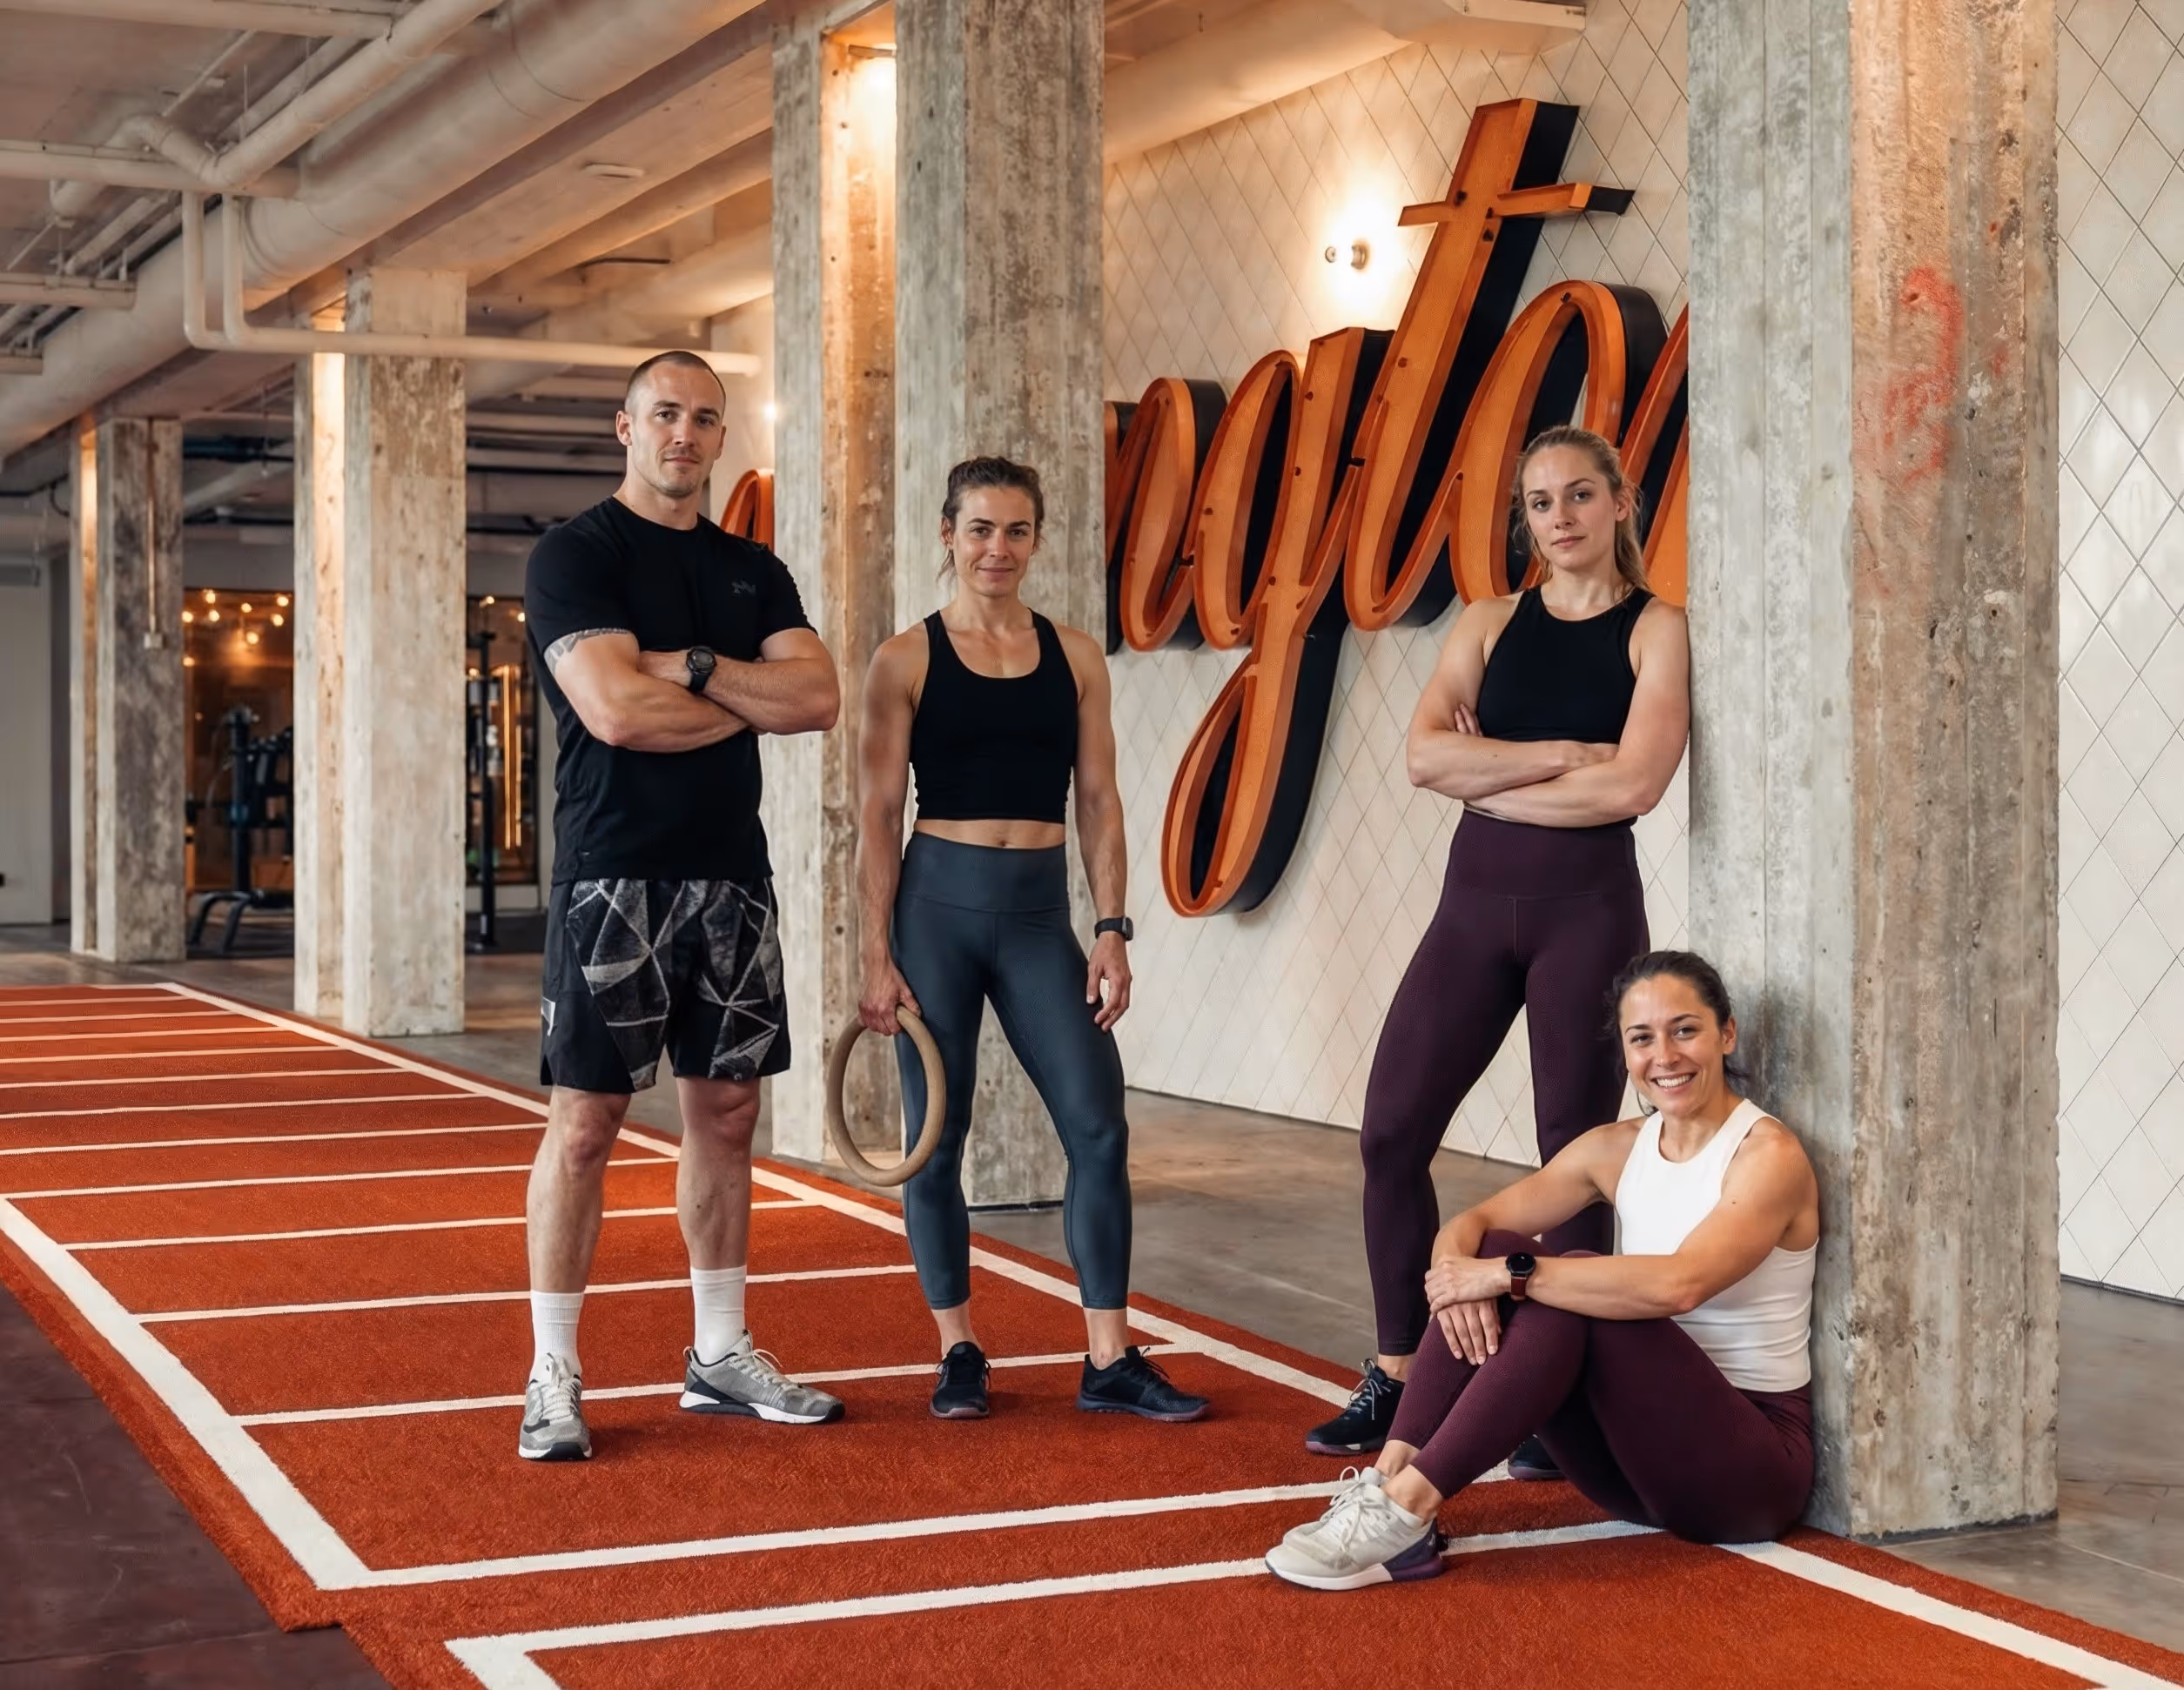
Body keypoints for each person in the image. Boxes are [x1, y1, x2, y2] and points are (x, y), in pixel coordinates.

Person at [1307, 426, 1690, 1475]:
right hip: (1470, 914)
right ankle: (1396, 1370)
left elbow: (1636, 784)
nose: (1559, 518)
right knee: (1391, 1132)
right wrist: (1563, 755)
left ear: (1620, 502)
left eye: (1579, 495)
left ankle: (1555, 1403)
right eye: (1539, 503)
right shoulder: (1485, 622)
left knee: (1572, 1160)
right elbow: (1423, 759)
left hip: (1588, 916)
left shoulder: (1657, 629)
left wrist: (1492, 775)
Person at [516, 350, 843, 1461]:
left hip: (731, 875)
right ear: (625, 426)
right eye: (664, 414)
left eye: (705, 418)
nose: (684, 435)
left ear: (720, 435)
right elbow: (615, 713)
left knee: (729, 1113)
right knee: (585, 1125)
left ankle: (718, 1352)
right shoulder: (577, 556)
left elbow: (818, 695)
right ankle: (553, 1371)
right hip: (614, 872)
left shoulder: (751, 569)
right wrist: (747, 695)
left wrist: (693, 667)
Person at [1268, 950, 1817, 1588]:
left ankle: (1409, 1507)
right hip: (1636, 1473)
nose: (1664, 1056)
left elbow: (1680, 1284)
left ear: (1726, 1034)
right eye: (1642, 1038)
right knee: (1502, 1249)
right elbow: (1469, 1227)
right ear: (1625, 1051)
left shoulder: (1767, 1155)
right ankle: (1391, 1477)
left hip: (1746, 1474)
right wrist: (1463, 1276)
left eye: (1685, 1030)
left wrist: (1507, 1276)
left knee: (1558, 1278)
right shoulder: (1615, 1149)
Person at [856, 455, 1207, 1424]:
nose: (996, 549)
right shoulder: (905, 659)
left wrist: (1112, 927)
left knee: (1098, 1126)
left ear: (1037, 539)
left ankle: (1109, 1356)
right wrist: (873, 954)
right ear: (948, 534)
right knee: (936, 1142)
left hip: (1039, 917)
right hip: (936, 912)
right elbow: (877, 815)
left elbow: (1099, 799)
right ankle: (958, 1349)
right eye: (979, 529)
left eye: (1015, 531)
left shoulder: (1076, 656)